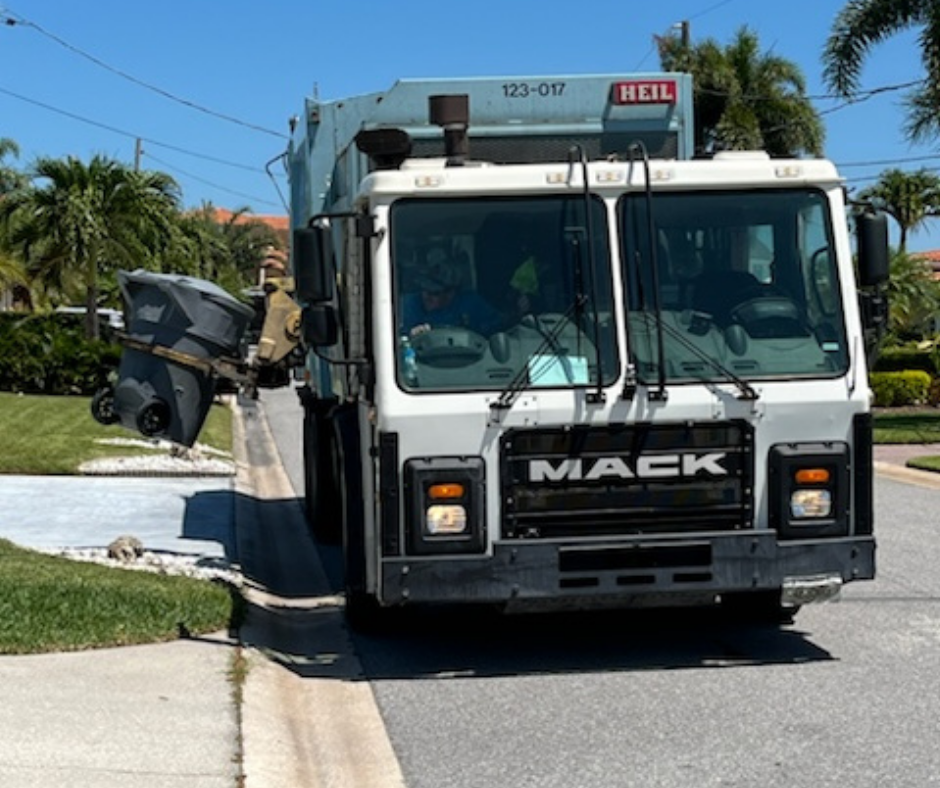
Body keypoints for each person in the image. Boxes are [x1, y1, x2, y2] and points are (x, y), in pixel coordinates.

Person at [400, 248, 502, 337]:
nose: (428, 297)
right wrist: (410, 335)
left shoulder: (471, 304)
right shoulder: (406, 305)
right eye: (425, 290)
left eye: (434, 293)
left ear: (451, 292)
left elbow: (498, 330)